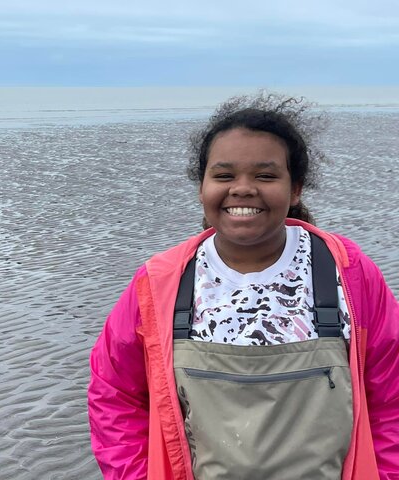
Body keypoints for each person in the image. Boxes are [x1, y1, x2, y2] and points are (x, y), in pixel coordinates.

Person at [87, 92, 399, 480]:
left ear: (296, 188)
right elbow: (114, 394)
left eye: (265, 176)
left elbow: (391, 400)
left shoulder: (349, 274)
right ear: (202, 187)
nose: (243, 189)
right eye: (224, 175)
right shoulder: (160, 282)